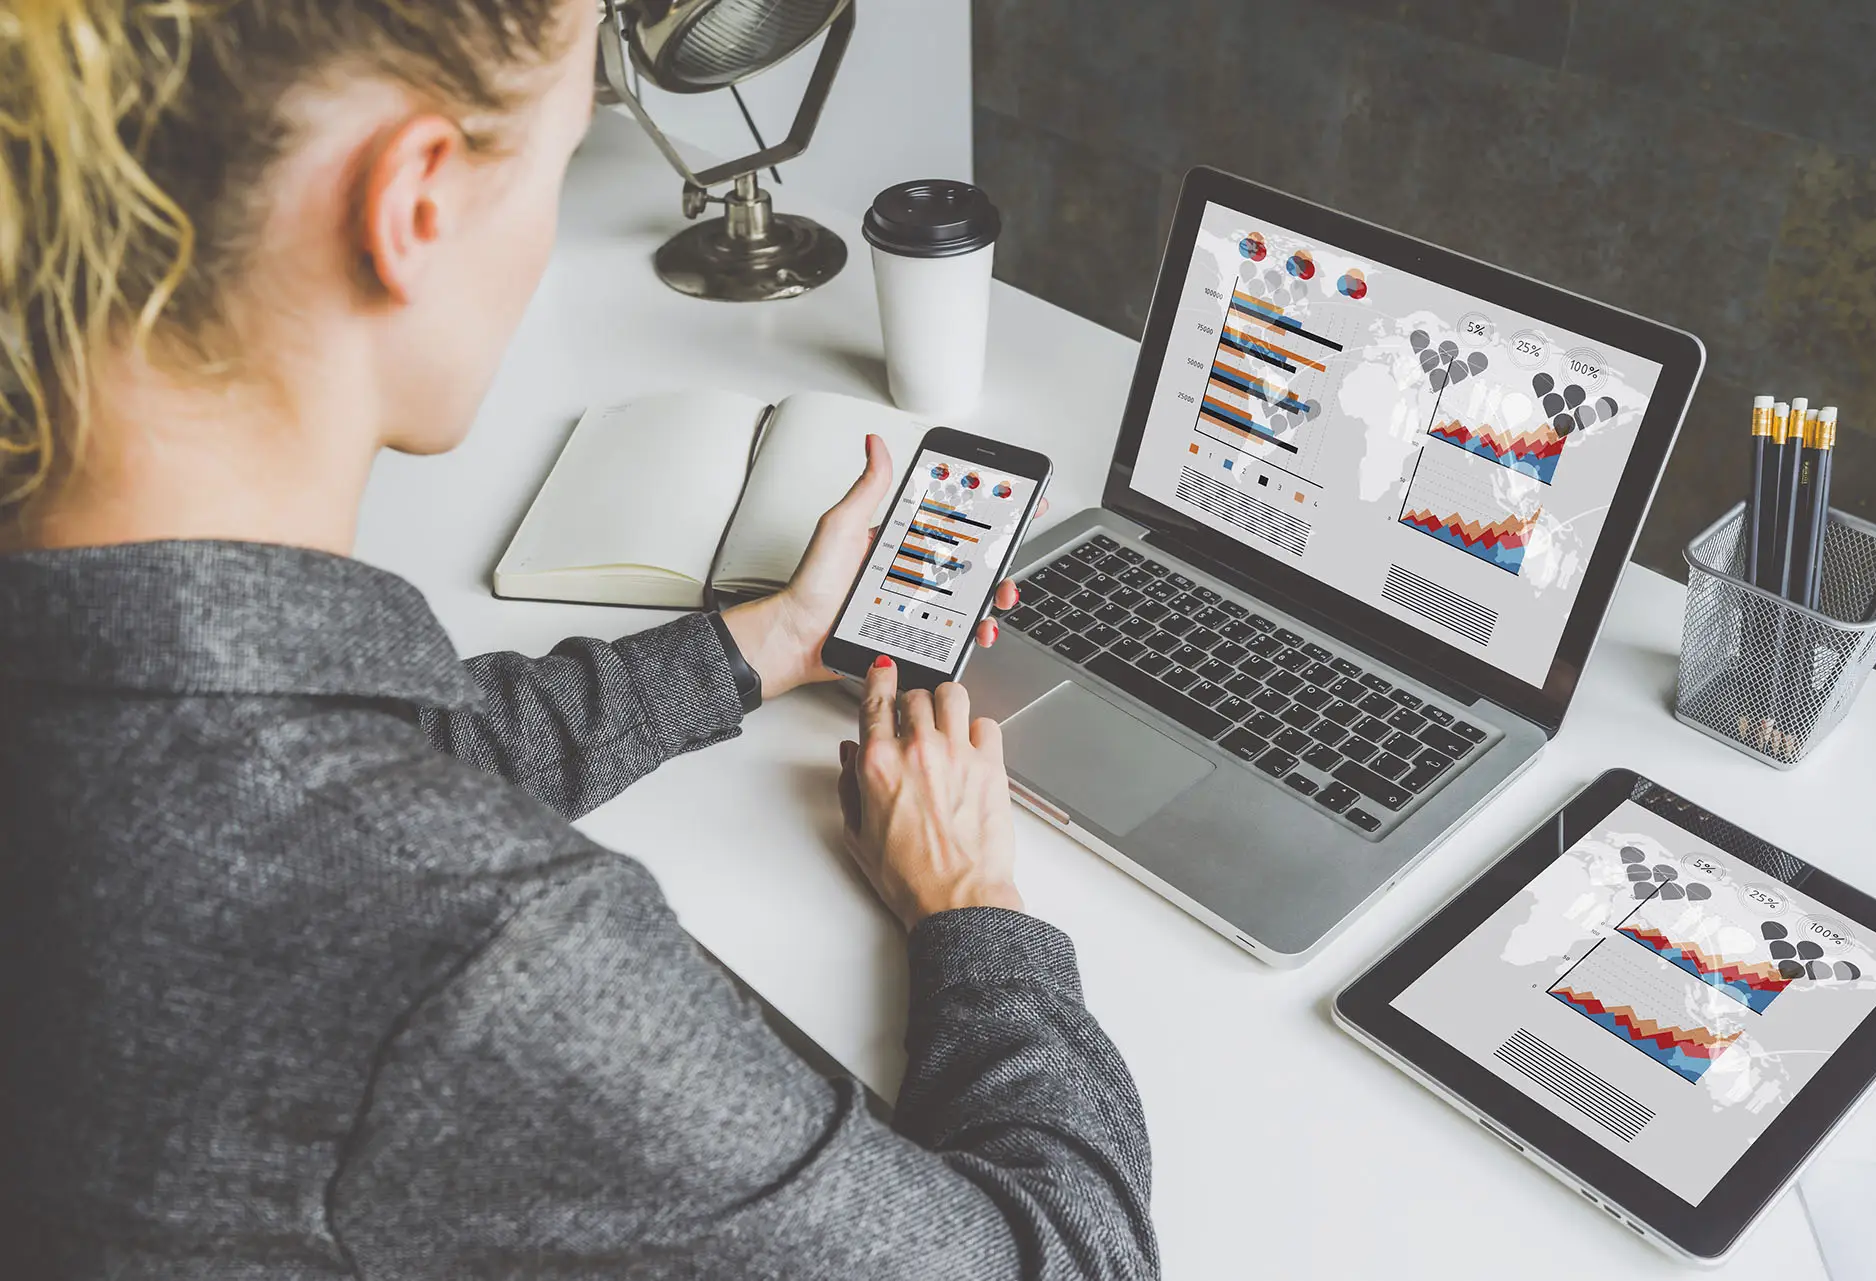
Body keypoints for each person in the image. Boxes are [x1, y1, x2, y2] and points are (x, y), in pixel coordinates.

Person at [0, 2, 1157, 1278]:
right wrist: (975, 913)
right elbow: (1064, 1262)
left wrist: (760, 643)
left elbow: (294, 761)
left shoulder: (100, 674)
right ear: (416, 205)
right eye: (562, 157)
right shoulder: (474, 955)